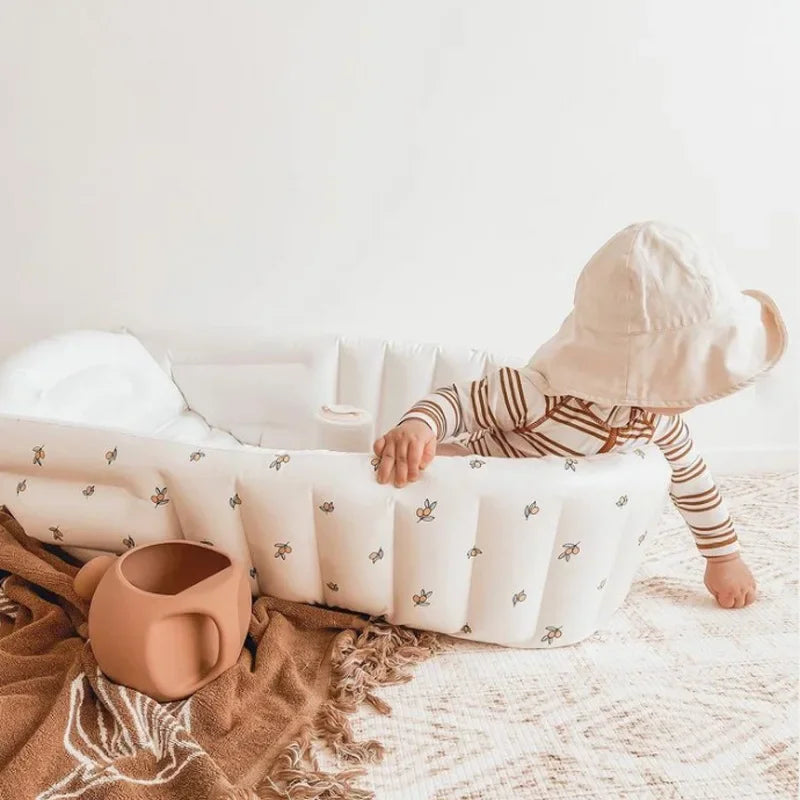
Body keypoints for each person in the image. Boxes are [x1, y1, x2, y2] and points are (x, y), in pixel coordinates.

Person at [373, 221, 788, 610]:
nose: (701, 386)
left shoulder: (657, 421)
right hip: (485, 498)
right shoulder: (539, 394)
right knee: (433, 471)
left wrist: (724, 557)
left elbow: (693, 482)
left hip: (549, 530)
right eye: (689, 371)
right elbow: (459, 402)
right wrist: (419, 425)